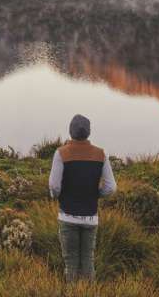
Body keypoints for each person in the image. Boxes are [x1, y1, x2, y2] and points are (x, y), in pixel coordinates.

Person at [48, 113, 116, 282]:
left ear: (70, 131)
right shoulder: (101, 154)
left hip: (67, 216)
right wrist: (96, 195)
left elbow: (54, 186)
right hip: (90, 217)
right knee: (88, 263)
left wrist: (56, 196)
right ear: (89, 132)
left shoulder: (61, 153)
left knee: (71, 264)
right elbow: (111, 187)